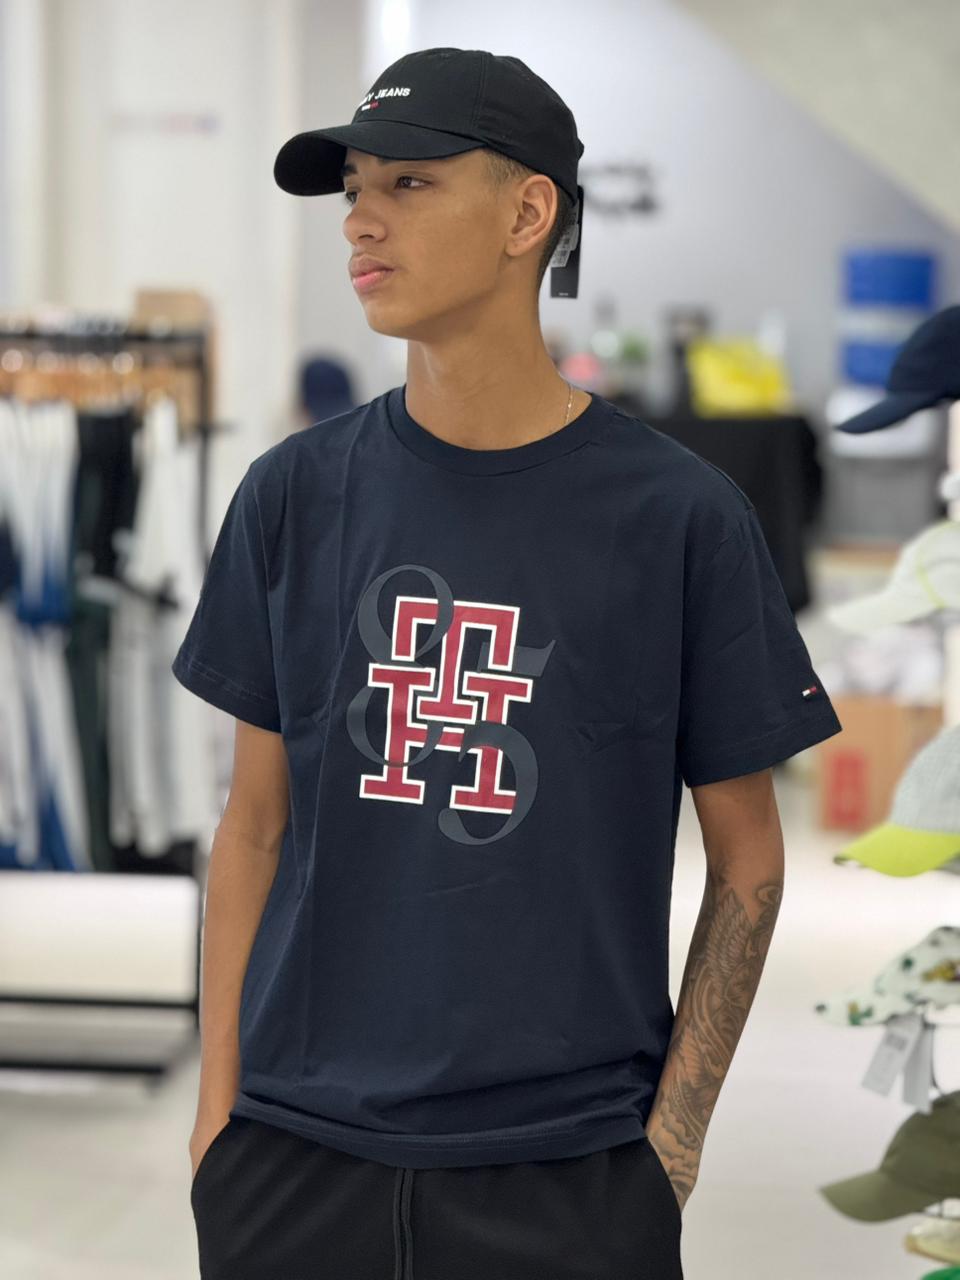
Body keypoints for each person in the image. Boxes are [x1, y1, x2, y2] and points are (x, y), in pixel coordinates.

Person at [173, 46, 843, 1280]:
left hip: (569, 1171)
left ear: (529, 213)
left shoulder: (681, 517)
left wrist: (669, 1152)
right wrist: (218, 1123)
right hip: (291, 1158)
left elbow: (749, 860)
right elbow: (252, 827)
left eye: (409, 183)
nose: (361, 220)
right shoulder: (290, 495)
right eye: (353, 189)